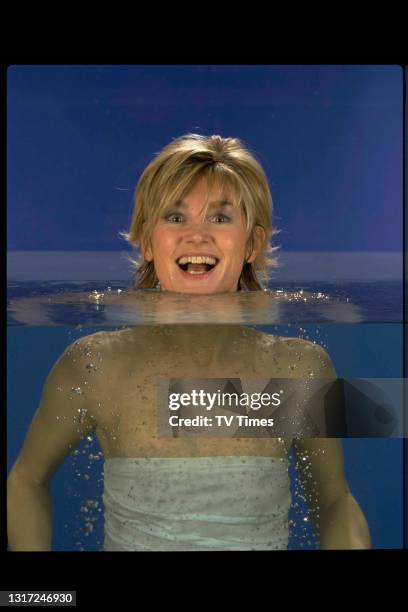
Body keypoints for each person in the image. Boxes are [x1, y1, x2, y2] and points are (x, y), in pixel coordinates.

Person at [7, 133, 371, 551]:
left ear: (252, 243)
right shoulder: (96, 364)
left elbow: (335, 502)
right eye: (175, 218)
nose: (196, 236)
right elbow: (26, 479)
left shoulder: (297, 369)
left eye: (219, 218)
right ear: (146, 241)